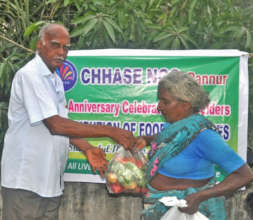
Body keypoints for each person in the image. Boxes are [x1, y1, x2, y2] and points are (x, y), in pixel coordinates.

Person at [1, 23, 135, 220]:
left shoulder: (54, 79)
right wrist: (109, 131)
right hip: (26, 181)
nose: (61, 52)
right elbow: (55, 125)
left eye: (66, 48)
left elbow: (63, 124)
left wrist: (87, 148)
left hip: (50, 182)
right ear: (40, 45)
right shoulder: (30, 75)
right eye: (55, 45)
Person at [132, 70, 253, 220]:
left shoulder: (205, 136)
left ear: (185, 105)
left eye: (165, 102)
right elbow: (171, 141)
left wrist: (199, 197)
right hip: (161, 206)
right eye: (160, 101)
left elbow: (245, 175)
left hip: (187, 211)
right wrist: (146, 139)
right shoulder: (177, 127)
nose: (159, 107)